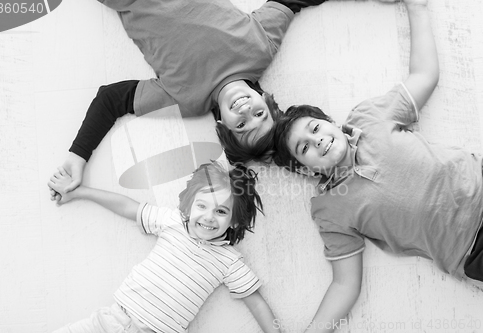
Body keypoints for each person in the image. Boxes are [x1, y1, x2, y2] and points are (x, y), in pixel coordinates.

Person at [272, 0, 483, 331]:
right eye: (305, 148)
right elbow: (345, 285)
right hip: (471, 251)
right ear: (305, 169)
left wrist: (417, 7)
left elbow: (424, 75)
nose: (318, 141)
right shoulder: (328, 211)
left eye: (315, 129)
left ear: (330, 122)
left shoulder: (368, 119)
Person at [56, 0, 328, 196]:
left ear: (223, 126)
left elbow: (111, 99)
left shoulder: (186, 100)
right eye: (260, 115)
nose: (246, 111)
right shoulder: (261, 48)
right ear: (267, 101)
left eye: (242, 125)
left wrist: (78, 156)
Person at [48, 161, 281, 333]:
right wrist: (79, 192)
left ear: (235, 220)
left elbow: (257, 302)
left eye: (221, 211)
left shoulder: (228, 261)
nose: (209, 217)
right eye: (202, 206)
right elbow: (128, 207)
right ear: (189, 206)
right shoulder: (172, 222)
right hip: (113, 321)